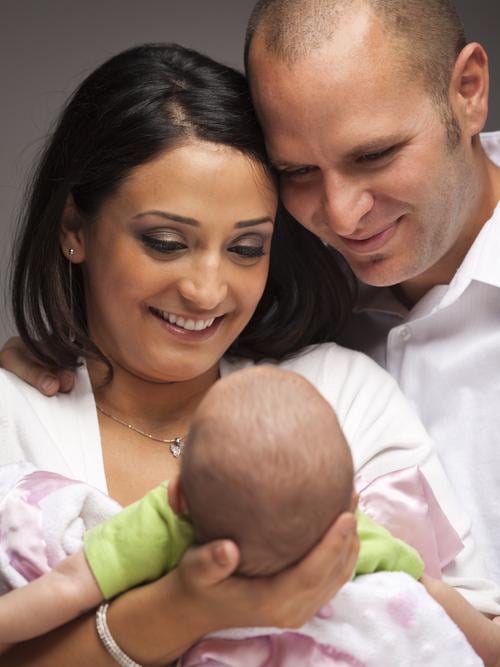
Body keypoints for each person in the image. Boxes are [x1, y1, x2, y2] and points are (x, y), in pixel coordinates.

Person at [0, 39, 498, 665]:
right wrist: (188, 605)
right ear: (76, 229)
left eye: (245, 248)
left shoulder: (339, 391)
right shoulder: (12, 415)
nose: (206, 290)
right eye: (165, 241)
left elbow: (464, 639)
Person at [244, 0, 500, 587]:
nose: (341, 215)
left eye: (374, 155)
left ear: (468, 91)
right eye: (299, 171)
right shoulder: (261, 287)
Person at [0, 367, 496, 665]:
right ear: (349, 505)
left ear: (177, 496)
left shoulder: (166, 528)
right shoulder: (348, 540)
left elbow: (63, 588)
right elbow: (432, 595)